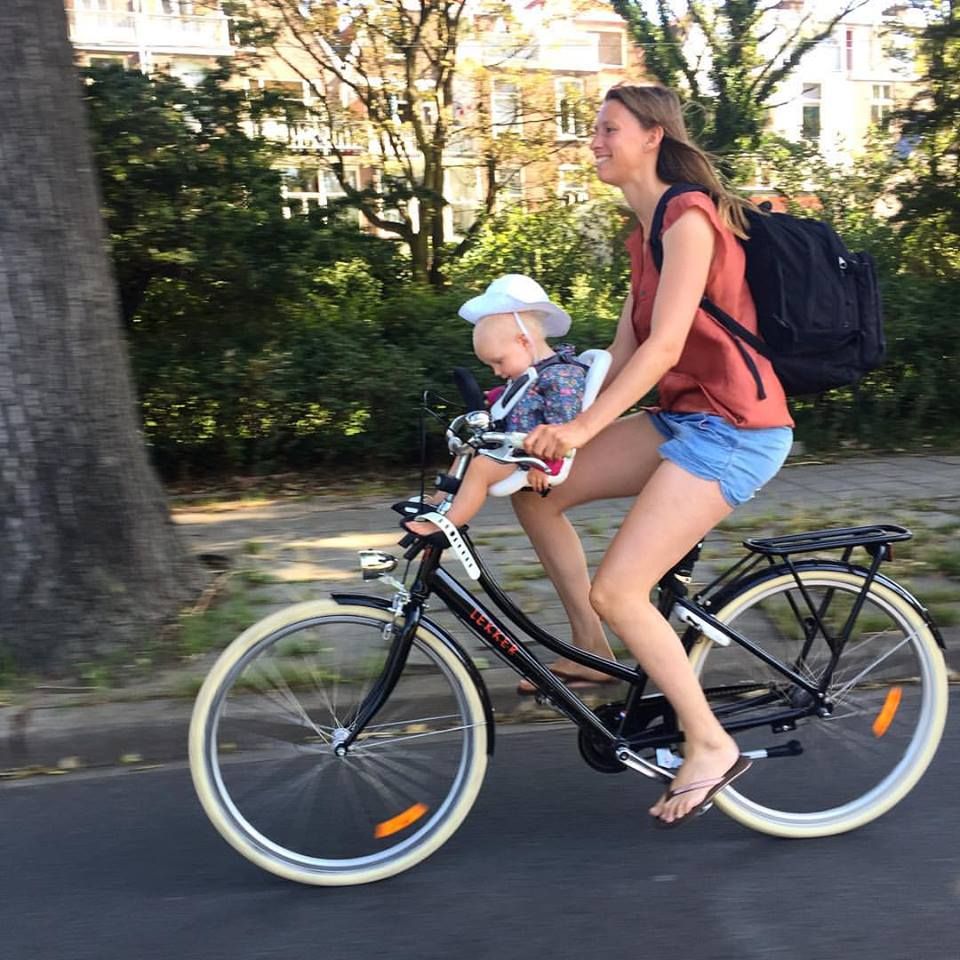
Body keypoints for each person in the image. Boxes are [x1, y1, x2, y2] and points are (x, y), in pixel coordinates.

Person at [516, 84, 795, 827]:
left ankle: (709, 744)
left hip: (737, 429)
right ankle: (589, 650)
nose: (595, 140)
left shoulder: (690, 217)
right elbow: (624, 349)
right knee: (537, 490)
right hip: (683, 420)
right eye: (595, 129)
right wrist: (547, 414)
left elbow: (667, 346)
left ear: (652, 137)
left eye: (609, 128)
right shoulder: (644, 233)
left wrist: (583, 431)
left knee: (620, 589)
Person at [404, 274, 587, 539]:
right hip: (512, 447)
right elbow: (526, 399)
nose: (497, 371)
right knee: (468, 448)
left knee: (480, 468)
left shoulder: (561, 376)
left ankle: (446, 525)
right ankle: (438, 501)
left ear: (523, 342)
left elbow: (563, 426)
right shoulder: (534, 372)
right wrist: (499, 396)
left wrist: (543, 465)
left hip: (529, 457)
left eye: (499, 362)